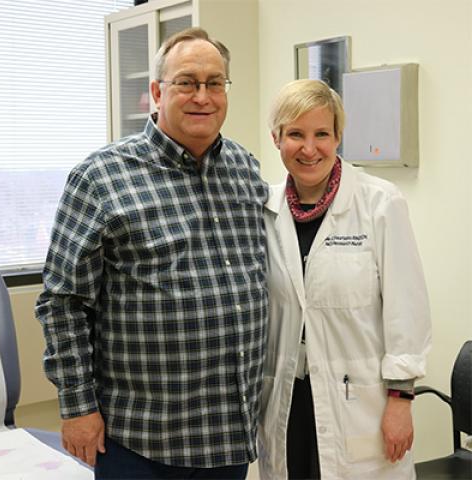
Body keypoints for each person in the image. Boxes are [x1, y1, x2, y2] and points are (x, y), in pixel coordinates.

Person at [35, 27, 268, 480]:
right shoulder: (101, 177)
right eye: (187, 82)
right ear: (158, 92)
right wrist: (78, 408)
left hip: (229, 436)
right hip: (140, 441)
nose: (203, 95)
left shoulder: (245, 170)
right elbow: (62, 302)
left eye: (214, 83)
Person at [258, 79, 431, 480]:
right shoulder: (262, 208)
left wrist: (401, 399)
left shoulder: (379, 203)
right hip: (288, 398)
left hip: (362, 402)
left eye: (322, 134)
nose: (309, 148)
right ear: (276, 138)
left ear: (338, 137)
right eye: (295, 134)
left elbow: (407, 308)